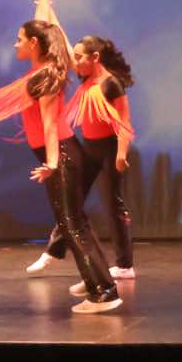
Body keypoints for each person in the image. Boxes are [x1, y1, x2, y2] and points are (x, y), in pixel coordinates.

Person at [0, 0, 119, 314]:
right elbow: (46, 25)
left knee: (71, 224)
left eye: (20, 40)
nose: (15, 44)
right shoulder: (47, 66)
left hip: (61, 154)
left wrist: (52, 163)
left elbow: (51, 123)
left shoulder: (48, 76)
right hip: (62, 154)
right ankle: (102, 283)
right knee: (75, 223)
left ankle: (103, 293)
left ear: (34, 44)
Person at [67, 34, 139, 279]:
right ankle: (54, 250)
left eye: (79, 57)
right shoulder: (86, 78)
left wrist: (121, 153)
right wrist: (50, 16)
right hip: (89, 149)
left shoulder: (112, 84)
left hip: (109, 149)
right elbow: (64, 47)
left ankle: (125, 265)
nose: (74, 62)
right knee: (72, 199)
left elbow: (124, 121)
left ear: (95, 57)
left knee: (113, 205)